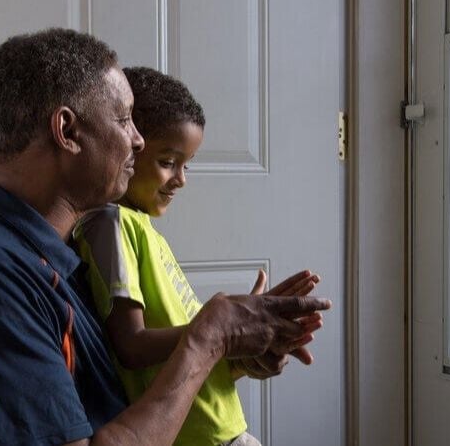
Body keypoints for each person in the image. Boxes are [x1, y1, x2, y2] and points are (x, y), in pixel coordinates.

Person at [0, 28, 331, 446]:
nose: (138, 140)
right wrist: (207, 338)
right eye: (124, 119)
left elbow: (133, 389)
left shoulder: (65, 255)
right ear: (67, 131)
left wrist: (230, 352)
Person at [73, 66, 322, 446]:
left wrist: (246, 342)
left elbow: (190, 351)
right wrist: (223, 329)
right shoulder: (112, 224)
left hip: (223, 429)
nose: (181, 178)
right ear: (131, 145)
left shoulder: (143, 230)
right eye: (168, 162)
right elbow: (132, 345)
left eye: (186, 165)